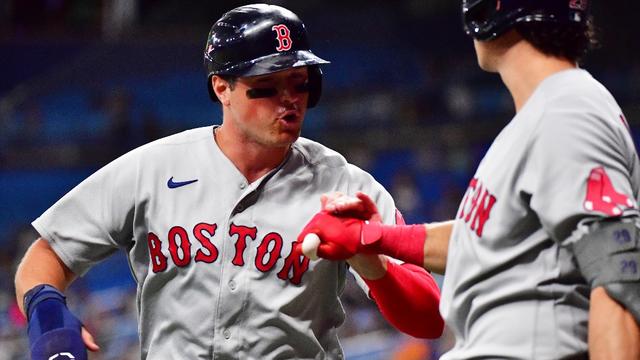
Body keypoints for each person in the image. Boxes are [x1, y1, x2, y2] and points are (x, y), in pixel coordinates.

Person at [14, 4, 444, 359]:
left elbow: (428, 318)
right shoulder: (153, 168)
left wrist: (370, 260)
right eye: (267, 85)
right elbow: (47, 254)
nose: (289, 99)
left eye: (300, 83)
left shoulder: (347, 187)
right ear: (222, 87)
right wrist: (49, 318)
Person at [298, 0, 640, 358]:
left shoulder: (567, 110)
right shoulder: (544, 115)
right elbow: (481, 240)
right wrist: (374, 237)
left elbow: (616, 273)